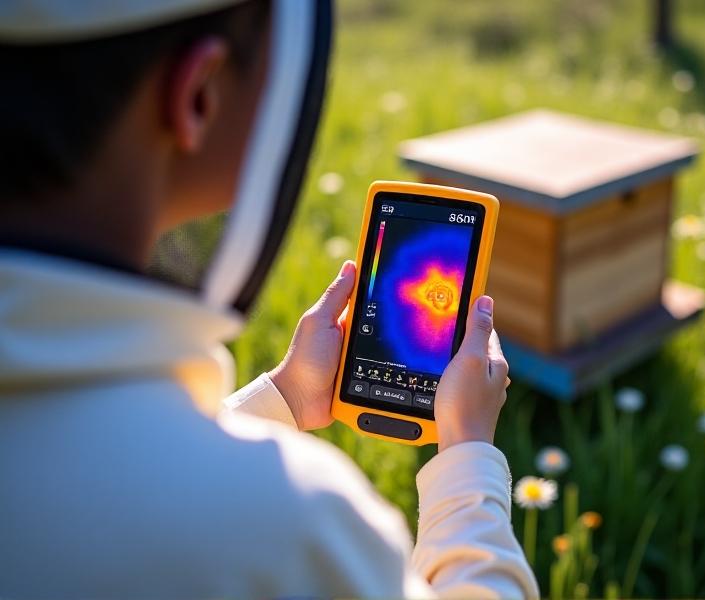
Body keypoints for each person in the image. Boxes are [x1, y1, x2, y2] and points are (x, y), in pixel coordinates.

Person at [0, 0, 538, 597]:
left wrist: (284, 397)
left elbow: (104, 468)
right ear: (198, 94)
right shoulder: (288, 526)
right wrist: (467, 452)